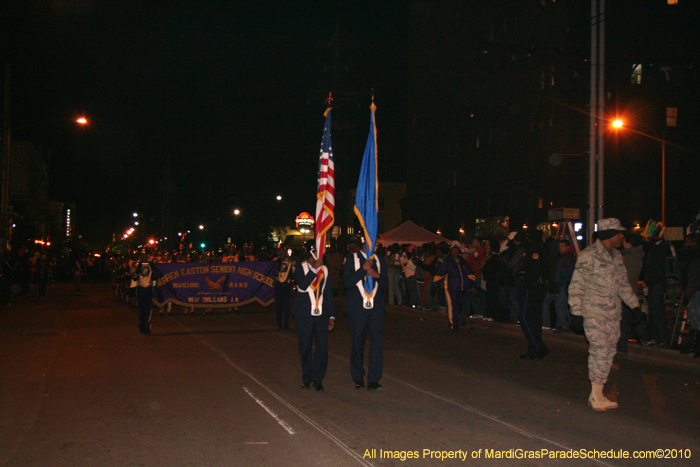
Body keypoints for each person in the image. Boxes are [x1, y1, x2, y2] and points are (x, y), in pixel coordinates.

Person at [568, 218, 641, 411]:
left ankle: (597, 393)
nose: (621, 236)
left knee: (609, 351)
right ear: (610, 234)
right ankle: (596, 394)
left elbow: (623, 284)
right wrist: (576, 312)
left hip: (612, 313)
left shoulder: (617, 256)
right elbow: (577, 285)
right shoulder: (589, 255)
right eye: (619, 233)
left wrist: (634, 306)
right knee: (599, 349)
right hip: (593, 312)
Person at [343, 240, 389, 390]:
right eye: (373, 242)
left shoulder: (380, 260)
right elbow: (347, 282)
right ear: (364, 242)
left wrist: (377, 276)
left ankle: (374, 379)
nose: (376, 246)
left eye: (377, 244)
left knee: (376, 343)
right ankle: (358, 376)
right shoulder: (351, 259)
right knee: (357, 342)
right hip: (357, 307)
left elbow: (386, 284)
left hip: (376, 307)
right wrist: (363, 270)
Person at [292, 251, 335, 391]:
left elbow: (328, 293)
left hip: (322, 314)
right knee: (305, 346)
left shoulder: (325, 270)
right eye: (317, 252)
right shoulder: (299, 268)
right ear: (311, 254)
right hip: (304, 315)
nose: (320, 255)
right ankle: (306, 377)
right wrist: (314, 268)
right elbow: (303, 286)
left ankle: (318, 378)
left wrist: (332, 316)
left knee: (322, 347)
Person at [517, 229, 550, 360]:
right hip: (538, 287)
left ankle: (537, 347)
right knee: (534, 318)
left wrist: (526, 281)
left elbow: (534, 270)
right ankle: (533, 349)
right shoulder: (541, 248)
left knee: (525, 316)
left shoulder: (535, 250)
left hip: (533, 288)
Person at [433, 245, 477, 331]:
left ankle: (455, 321)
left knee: (459, 305)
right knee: (452, 305)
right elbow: (440, 273)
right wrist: (434, 285)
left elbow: (470, 273)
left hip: (462, 288)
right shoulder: (448, 262)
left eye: (457, 250)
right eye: (454, 250)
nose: (455, 252)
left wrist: (473, 284)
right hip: (451, 288)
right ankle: (454, 323)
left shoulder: (463, 262)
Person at [133, 251, 159, 335]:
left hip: (148, 288)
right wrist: (135, 271)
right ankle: (142, 325)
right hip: (140, 288)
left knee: (148, 308)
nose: (144, 257)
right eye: (142, 256)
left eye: (145, 256)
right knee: (141, 308)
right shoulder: (138, 266)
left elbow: (155, 277)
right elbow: (134, 278)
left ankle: (147, 326)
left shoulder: (151, 266)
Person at [273, 247, 294, 330]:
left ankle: (286, 323)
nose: (280, 251)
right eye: (279, 250)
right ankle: (279, 323)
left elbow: (292, 272)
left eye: (281, 249)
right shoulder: (276, 260)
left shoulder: (290, 261)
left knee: (287, 305)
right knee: (278, 305)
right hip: (278, 284)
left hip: (287, 285)